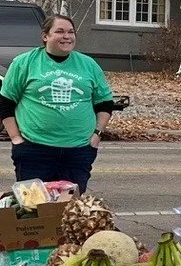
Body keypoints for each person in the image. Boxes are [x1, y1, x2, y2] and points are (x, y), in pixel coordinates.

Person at [0, 13, 114, 192]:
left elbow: (105, 102)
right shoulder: (24, 63)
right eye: (60, 31)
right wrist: (16, 138)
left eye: (71, 32)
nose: (67, 36)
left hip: (78, 151)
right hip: (34, 150)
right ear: (45, 36)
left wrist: (96, 135)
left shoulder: (89, 65)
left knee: (70, 210)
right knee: (34, 209)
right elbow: (5, 102)